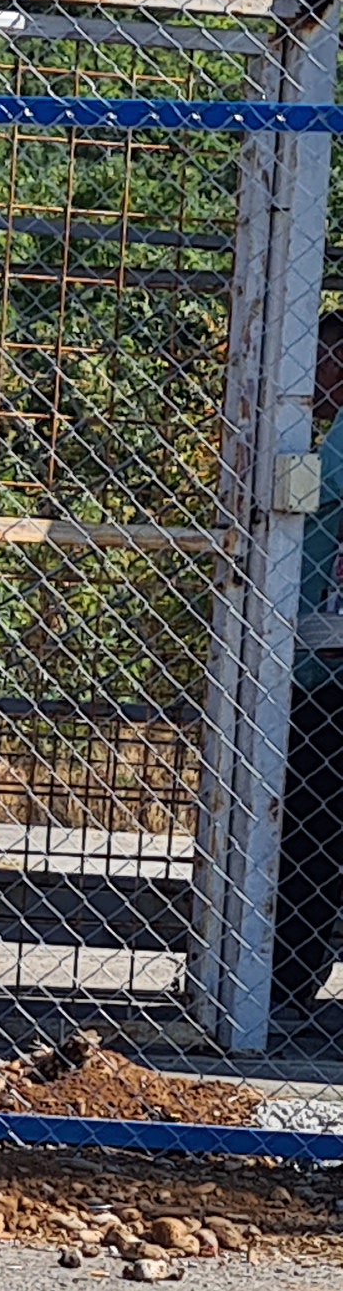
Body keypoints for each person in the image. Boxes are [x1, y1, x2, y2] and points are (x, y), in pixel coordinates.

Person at [280, 320, 343, 1026]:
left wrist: (270, 464)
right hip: (314, 648)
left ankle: (290, 971)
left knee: (310, 822)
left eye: (314, 361)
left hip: (324, 662)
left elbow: (302, 494)